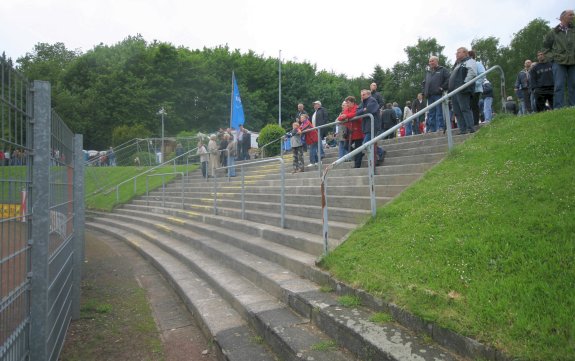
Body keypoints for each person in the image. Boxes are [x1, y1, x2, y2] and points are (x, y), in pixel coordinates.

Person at [543, 10, 575, 109]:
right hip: (558, 62)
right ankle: (558, 108)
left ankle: (573, 106)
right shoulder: (553, 32)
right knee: (559, 86)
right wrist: (553, 58)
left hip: (573, 61)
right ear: (562, 17)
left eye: (573, 15)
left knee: (573, 85)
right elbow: (545, 47)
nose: (573, 16)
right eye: (570, 15)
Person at [448, 47, 477, 134]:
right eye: (456, 52)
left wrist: (464, 84)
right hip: (454, 91)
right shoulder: (457, 64)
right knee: (457, 111)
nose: (457, 54)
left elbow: (472, 72)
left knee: (464, 109)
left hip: (462, 90)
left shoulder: (469, 61)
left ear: (465, 53)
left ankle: (470, 128)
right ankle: (462, 129)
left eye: (459, 52)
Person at [356, 89, 385, 166]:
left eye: (364, 94)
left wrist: (364, 110)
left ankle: (380, 152)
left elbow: (369, 110)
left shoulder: (372, 100)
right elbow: (357, 113)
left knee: (365, 144)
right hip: (366, 126)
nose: (362, 96)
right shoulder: (363, 103)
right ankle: (379, 152)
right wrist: (364, 109)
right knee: (370, 143)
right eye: (361, 95)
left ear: (368, 94)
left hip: (373, 125)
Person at [423, 56, 450, 133]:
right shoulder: (428, 72)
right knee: (431, 113)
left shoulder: (443, 70)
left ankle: (440, 127)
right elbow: (424, 83)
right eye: (430, 61)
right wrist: (424, 91)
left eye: (432, 61)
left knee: (439, 111)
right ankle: (432, 128)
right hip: (429, 96)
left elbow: (448, 79)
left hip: (438, 95)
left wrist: (442, 88)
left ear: (437, 61)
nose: (430, 63)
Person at [339, 96, 363, 168]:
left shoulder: (357, 107)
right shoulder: (347, 109)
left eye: (348, 102)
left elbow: (356, 114)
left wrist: (346, 116)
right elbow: (340, 117)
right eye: (346, 103)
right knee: (346, 146)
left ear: (352, 102)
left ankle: (357, 165)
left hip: (358, 131)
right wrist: (346, 116)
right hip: (349, 133)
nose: (347, 104)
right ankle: (358, 154)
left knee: (358, 147)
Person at [468, 50, 485, 125]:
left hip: (476, 89)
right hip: (468, 90)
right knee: (469, 106)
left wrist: (475, 84)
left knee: (474, 105)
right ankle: (471, 122)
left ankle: (475, 123)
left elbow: (482, 75)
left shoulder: (477, 64)